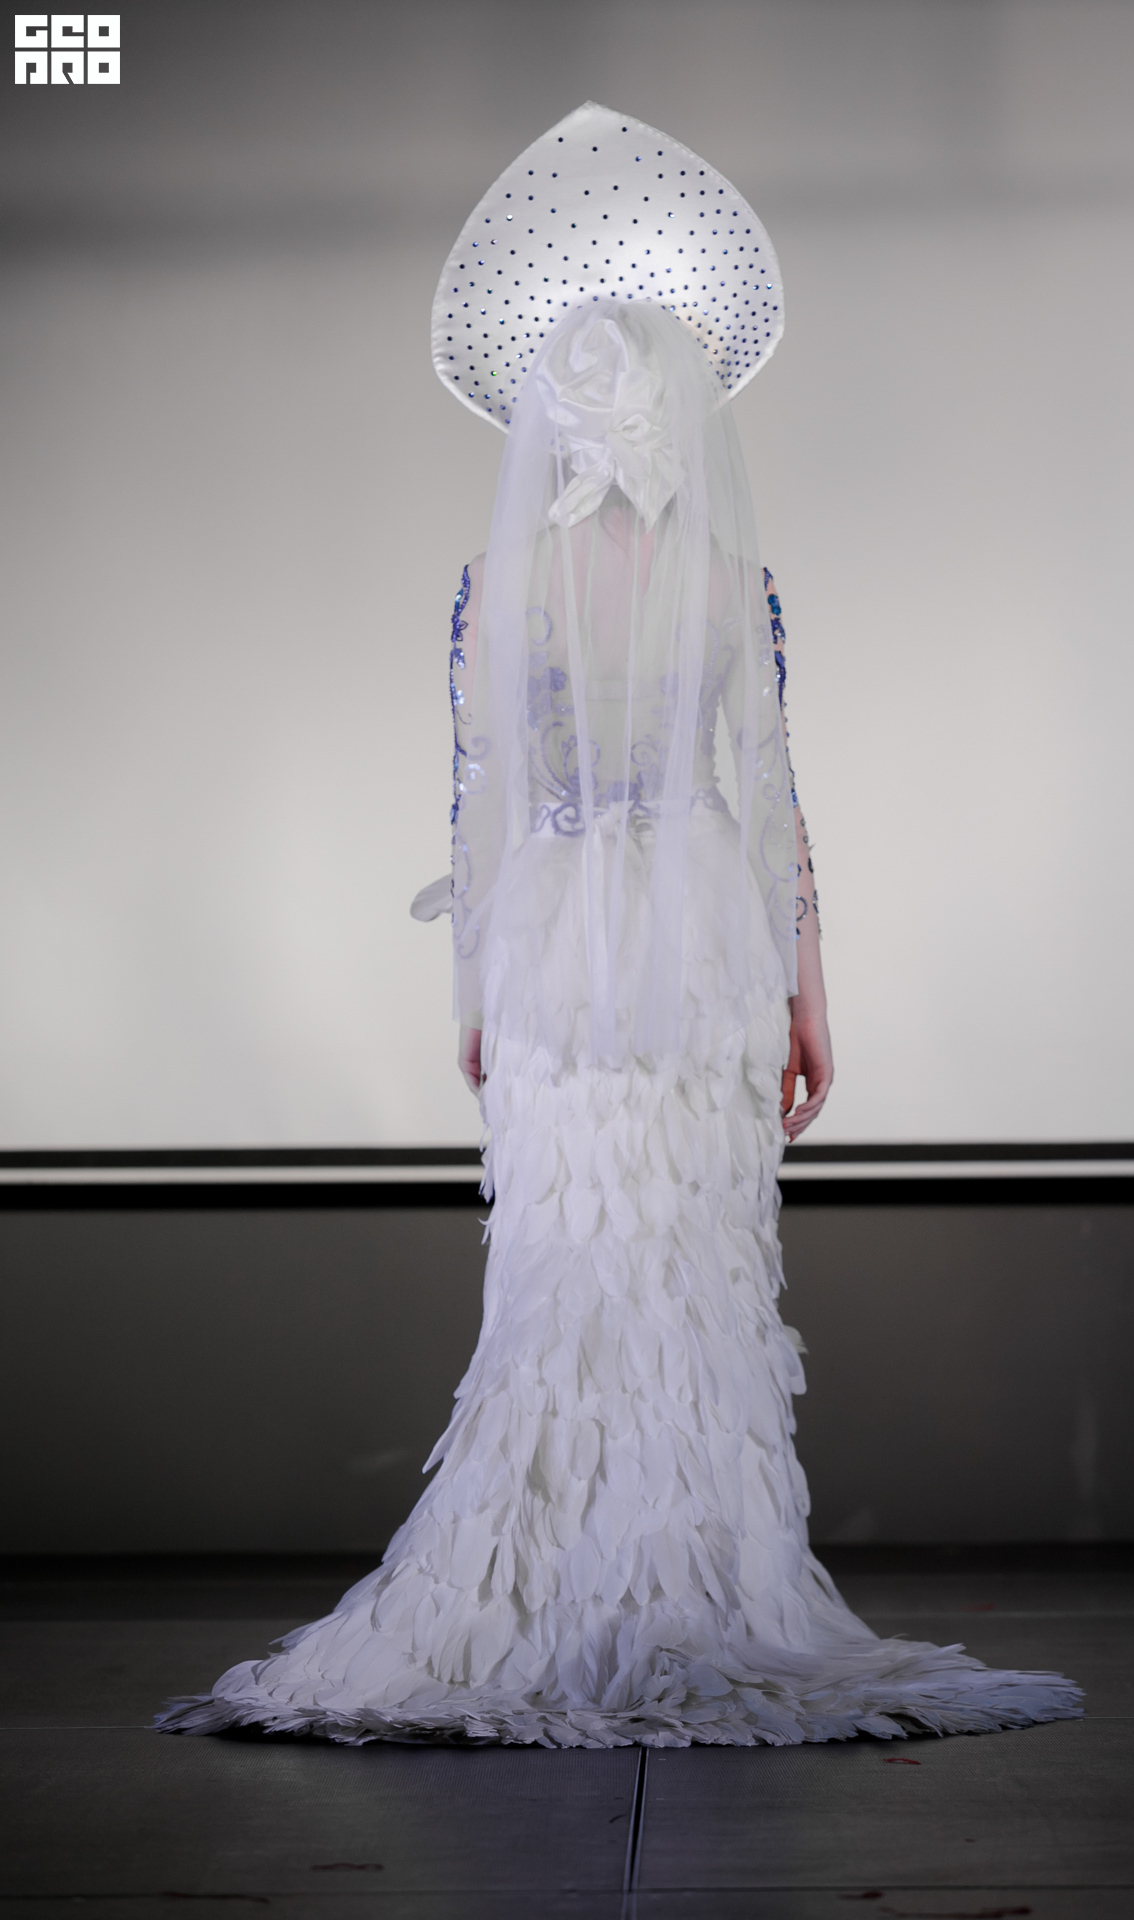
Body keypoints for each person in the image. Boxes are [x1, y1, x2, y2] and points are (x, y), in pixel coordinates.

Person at [158, 107, 1080, 1748]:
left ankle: (537, 1581)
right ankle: (694, 1569)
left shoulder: (495, 584)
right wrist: (809, 996)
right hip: (707, 934)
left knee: (567, 1255)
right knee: (683, 1256)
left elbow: (480, 800)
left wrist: (470, 990)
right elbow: (776, 807)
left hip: (555, 948)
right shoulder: (734, 581)